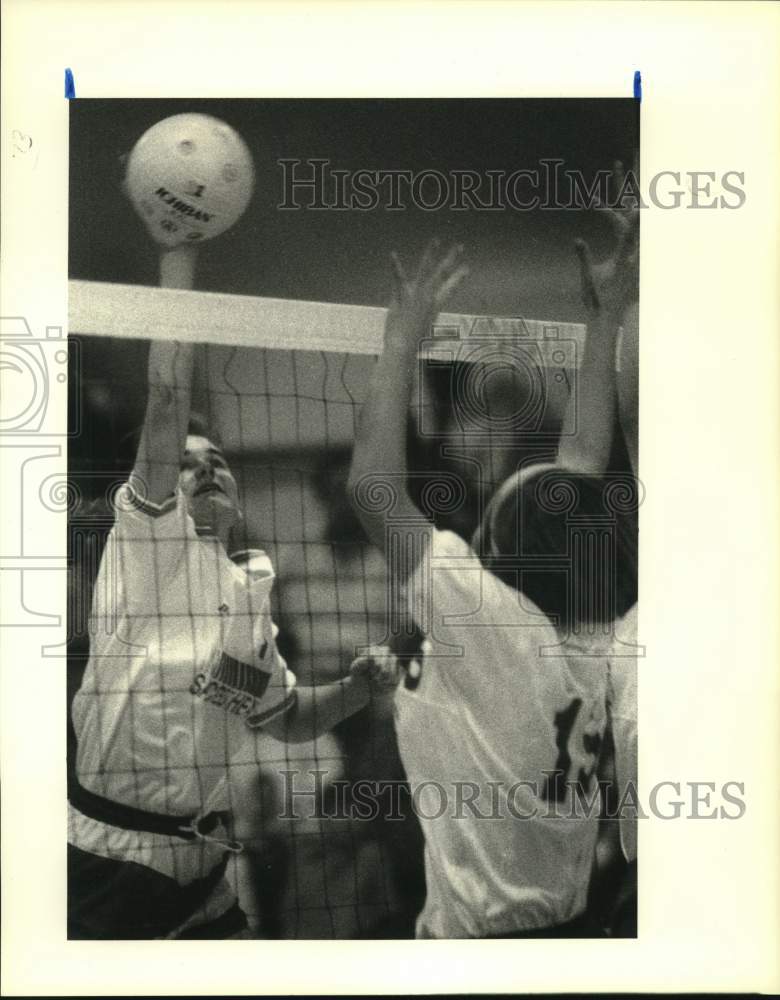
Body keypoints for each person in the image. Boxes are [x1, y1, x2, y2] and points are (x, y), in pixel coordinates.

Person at [68, 241, 397, 939]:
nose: (208, 469)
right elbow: (166, 395)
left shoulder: (249, 584)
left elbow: (284, 717)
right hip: (112, 860)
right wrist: (178, 252)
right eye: (188, 466)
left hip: (207, 863)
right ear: (160, 484)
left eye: (218, 460)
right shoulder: (149, 543)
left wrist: (358, 691)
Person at [347, 213, 639, 937]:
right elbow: (581, 466)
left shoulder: (486, 621)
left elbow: (372, 490)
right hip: (569, 932)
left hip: (482, 950)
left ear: (503, 551)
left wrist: (399, 341)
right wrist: (603, 322)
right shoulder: (590, 634)